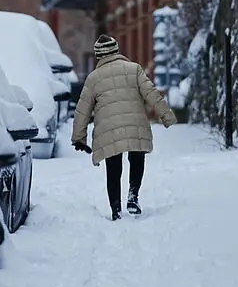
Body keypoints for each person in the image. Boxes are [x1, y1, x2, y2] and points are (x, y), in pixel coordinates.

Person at [71, 34, 177, 221]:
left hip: (108, 130)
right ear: (116, 50)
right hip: (134, 124)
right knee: (137, 158)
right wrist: (166, 115)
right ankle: (133, 196)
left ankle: (116, 209)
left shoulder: (93, 78)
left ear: (99, 55)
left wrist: (78, 137)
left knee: (113, 168)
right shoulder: (133, 69)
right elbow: (151, 94)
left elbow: (82, 110)